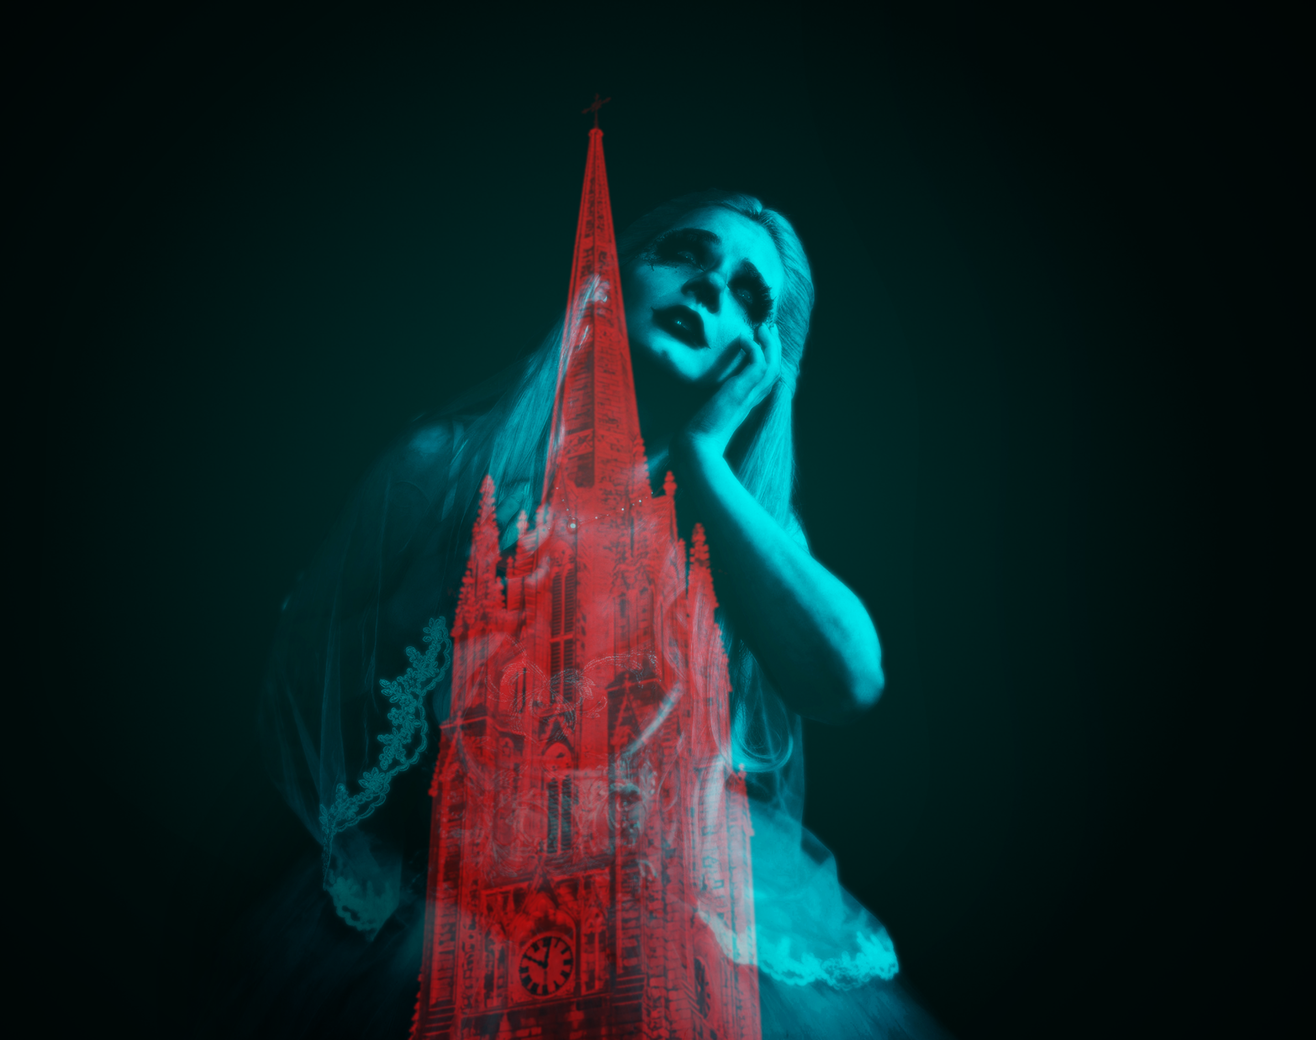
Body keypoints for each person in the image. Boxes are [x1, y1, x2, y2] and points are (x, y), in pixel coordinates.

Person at [241, 190, 949, 1039]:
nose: (709, 288)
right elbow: (308, 687)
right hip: (453, 919)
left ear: (757, 360)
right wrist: (436, 607)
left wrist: (703, 459)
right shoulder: (443, 464)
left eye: (748, 295)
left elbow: (851, 681)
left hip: (668, 937)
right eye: (684, 254)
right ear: (612, 276)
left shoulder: (738, 525)